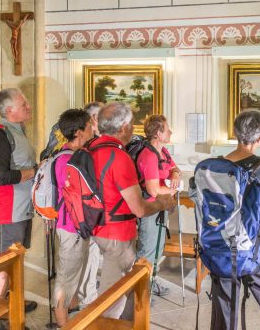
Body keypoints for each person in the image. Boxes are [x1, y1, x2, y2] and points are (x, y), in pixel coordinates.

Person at [64, 102, 175, 319]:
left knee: (112, 287)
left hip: (95, 224)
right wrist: (164, 203)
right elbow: (140, 209)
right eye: (132, 124)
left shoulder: (91, 148)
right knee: (123, 291)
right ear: (123, 127)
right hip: (117, 232)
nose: (134, 128)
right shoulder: (118, 156)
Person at [209, 109, 260, 330]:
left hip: (222, 249)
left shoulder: (216, 166)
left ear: (235, 133)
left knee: (225, 316)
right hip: (258, 252)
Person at [0, 88, 38, 330]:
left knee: (15, 259)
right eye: (23, 103)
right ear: (8, 110)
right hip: (5, 210)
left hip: (20, 208)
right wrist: (34, 171)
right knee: (1, 263)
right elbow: (2, 176)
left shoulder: (18, 131)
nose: (28, 106)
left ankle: (12, 303)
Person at [52, 109, 98, 327]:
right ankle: (63, 323)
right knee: (65, 278)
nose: (93, 129)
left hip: (75, 226)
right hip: (71, 227)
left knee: (73, 274)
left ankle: (71, 308)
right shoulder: (68, 161)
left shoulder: (67, 154)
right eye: (90, 125)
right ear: (80, 132)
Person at [135, 114, 180, 296]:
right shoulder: (149, 156)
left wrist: (175, 176)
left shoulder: (163, 152)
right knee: (146, 251)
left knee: (158, 249)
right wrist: (173, 191)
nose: (170, 131)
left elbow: (175, 168)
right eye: (167, 129)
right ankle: (140, 295)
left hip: (161, 208)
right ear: (158, 133)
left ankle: (150, 285)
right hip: (150, 209)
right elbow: (153, 190)